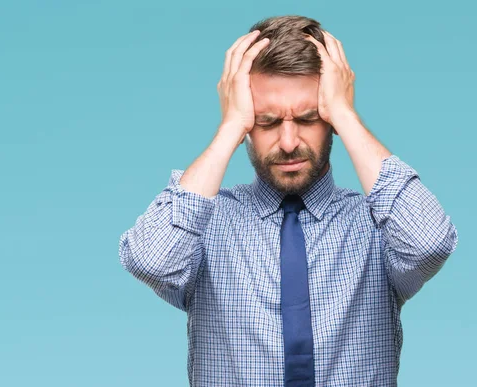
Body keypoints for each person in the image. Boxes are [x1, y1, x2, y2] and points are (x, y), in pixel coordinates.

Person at [118, 15, 458, 386]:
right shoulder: (206, 225)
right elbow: (151, 260)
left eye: (309, 117)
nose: (289, 142)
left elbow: (430, 244)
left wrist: (345, 113)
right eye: (266, 122)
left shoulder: (378, 225)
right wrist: (229, 127)